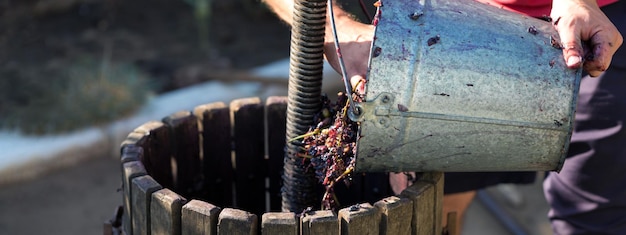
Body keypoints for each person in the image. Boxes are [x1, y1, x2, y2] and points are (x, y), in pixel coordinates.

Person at [263, 0, 623, 234]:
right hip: (441, 28)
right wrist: (339, 32)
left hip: (593, 26)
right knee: (436, 206)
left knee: (595, 217)